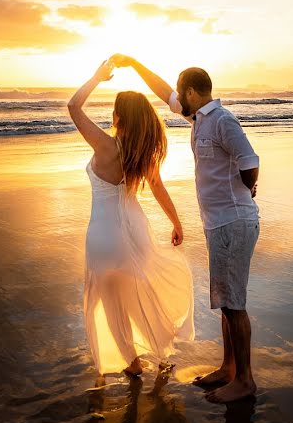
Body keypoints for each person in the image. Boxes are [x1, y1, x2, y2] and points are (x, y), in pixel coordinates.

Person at [111, 54, 260, 403]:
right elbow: (163, 91)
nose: (175, 98)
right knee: (226, 301)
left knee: (234, 303)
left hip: (233, 222)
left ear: (192, 91)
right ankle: (228, 369)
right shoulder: (198, 117)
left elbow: (250, 160)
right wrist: (134, 64)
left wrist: (247, 188)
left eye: (181, 92)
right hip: (219, 224)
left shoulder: (222, 120)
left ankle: (246, 380)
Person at [67, 60, 194, 377]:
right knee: (138, 294)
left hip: (104, 234)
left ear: (118, 116)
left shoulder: (106, 145)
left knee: (111, 301)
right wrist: (176, 224)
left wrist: (97, 77)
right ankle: (159, 348)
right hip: (135, 230)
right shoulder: (141, 152)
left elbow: (73, 106)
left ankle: (133, 362)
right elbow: (159, 189)